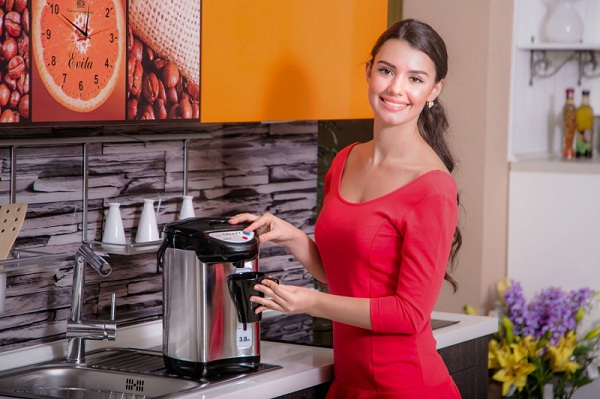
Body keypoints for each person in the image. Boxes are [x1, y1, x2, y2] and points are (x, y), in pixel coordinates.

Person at [229, 18, 462, 399]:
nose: (396, 88)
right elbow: (346, 274)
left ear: (434, 90)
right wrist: (291, 237)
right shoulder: (345, 162)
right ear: (369, 72)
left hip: (406, 388)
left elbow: (409, 314)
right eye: (386, 71)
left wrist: (310, 303)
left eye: (415, 79)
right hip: (349, 386)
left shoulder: (433, 187)